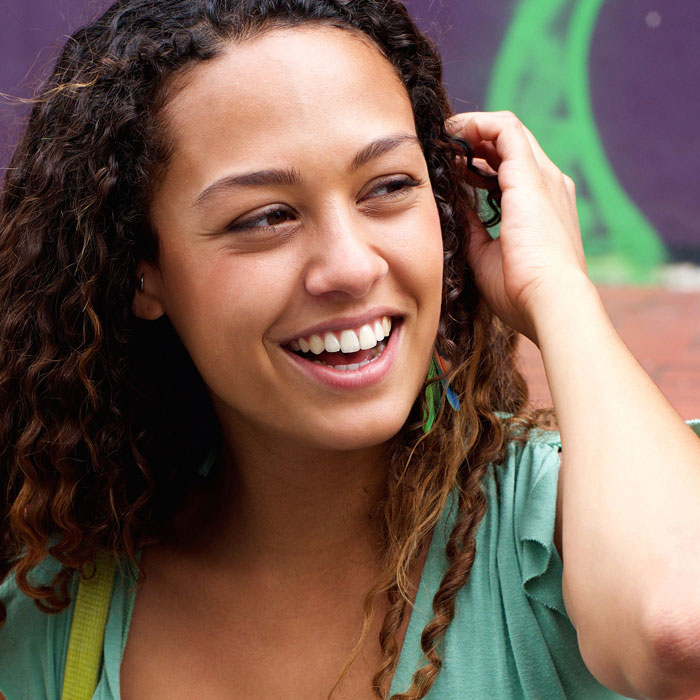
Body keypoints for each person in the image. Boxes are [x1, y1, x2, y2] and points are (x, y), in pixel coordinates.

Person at [1, 1, 699, 698]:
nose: (351, 267)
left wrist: (558, 289)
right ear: (141, 269)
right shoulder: (60, 617)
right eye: (266, 217)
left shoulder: (557, 529)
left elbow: (678, 628)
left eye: (389, 186)